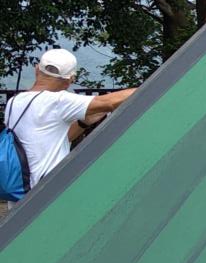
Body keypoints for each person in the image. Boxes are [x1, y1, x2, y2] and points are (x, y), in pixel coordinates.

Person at [2, 50, 136, 200]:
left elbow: (56, 141)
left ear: (37, 69)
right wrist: (155, 86)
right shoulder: (58, 101)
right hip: (45, 195)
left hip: (20, 193)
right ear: (70, 79)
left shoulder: (15, 102)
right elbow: (110, 102)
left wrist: (82, 123)